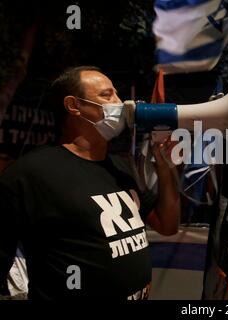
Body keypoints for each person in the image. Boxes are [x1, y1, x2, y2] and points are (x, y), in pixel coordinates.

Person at [0, 66, 180, 299]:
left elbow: (167, 225)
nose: (122, 102)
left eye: (116, 93)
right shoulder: (30, 174)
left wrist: (165, 170)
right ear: (73, 106)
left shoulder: (120, 168)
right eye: (107, 95)